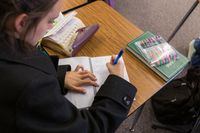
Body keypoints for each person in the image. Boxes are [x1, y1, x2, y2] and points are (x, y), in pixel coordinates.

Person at [0, 0, 137, 133]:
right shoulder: (31, 88)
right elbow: (90, 128)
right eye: (50, 20)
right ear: (21, 23)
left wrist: (59, 77)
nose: (51, 27)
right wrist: (119, 82)